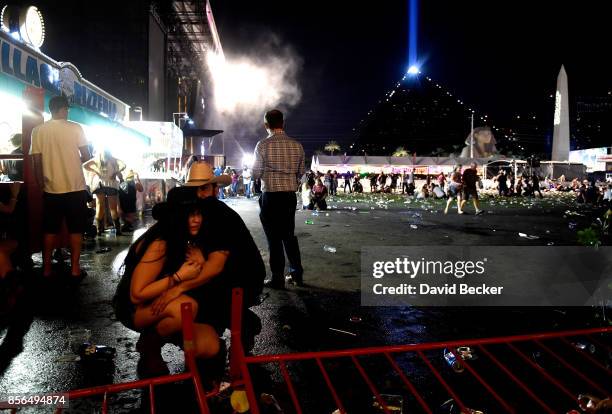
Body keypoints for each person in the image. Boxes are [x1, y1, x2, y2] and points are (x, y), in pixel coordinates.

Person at [154, 162, 265, 355]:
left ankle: (239, 325)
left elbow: (214, 267)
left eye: (205, 188)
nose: (203, 194)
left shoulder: (218, 213)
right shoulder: (199, 210)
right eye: (198, 189)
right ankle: (217, 330)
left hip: (243, 279)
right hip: (228, 275)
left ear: (213, 189)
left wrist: (177, 287)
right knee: (190, 288)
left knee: (191, 298)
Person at [113, 197, 219, 377]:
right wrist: (178, 277)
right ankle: (150, 346)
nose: (197, 219)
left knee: (211, 345)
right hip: (133, 309)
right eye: (190, 215)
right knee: (186, 308)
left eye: (199, 214)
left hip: (159, 303)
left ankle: (156, 336)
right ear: (177, 217)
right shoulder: (160, 243)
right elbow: (136, 295)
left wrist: (200, 261)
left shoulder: (184, 238)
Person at [30, 95, 92, 280]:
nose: (68, 111)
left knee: (50, 229)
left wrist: (42, 183)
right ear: (63, 109)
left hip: (51, 189)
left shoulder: (38, 130)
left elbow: (36, 160)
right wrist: (73, 161)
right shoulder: (75, 128)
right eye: (67, 109)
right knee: (76, 229)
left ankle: (47, 269)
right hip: (75, 187)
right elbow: (87, 154)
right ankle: (74, 269)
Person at [253, 109, 305, 288]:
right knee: (288, 235)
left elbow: (256, 173)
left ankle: (277, 278)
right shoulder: (297, 145)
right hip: (289, 197)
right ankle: (297, 274)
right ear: (283, 123)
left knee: (273, 238)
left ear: (266, 125)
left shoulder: (262, 145)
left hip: (270, 197)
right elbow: (301, 174)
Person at [84, 149, 126, 235]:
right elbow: (124, 165)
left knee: (100, 207)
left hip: (100, 185)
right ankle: (118, 230)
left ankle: (100, 230)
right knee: (113, 208)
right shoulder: (113, 159)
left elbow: (84, 165)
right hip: (111, 185)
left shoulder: (96, 159)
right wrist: (116, 172)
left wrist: (95, 171)